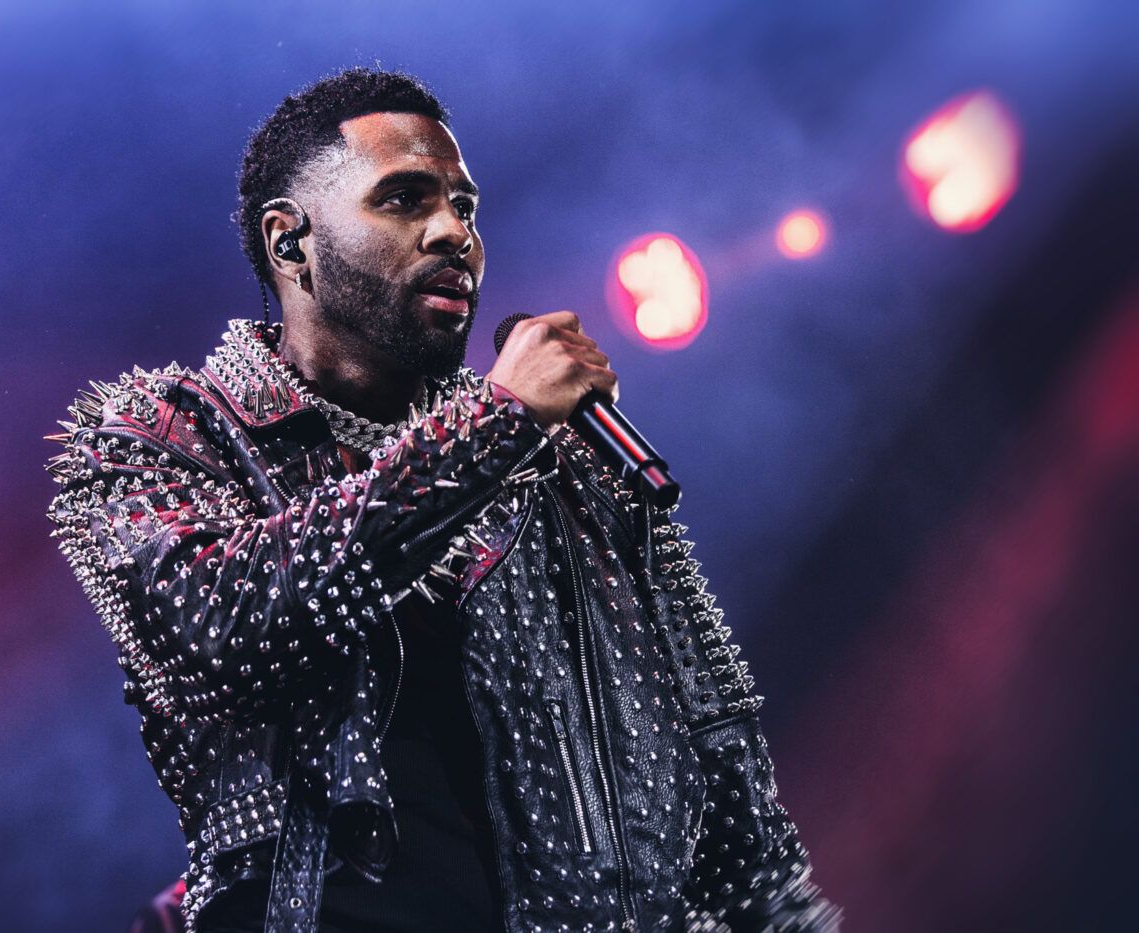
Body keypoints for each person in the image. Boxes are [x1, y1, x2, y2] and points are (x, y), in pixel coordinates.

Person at [47, 67, 841, 933]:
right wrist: (495, 424)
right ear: (289, 241)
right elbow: (226, 623)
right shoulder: (157, 437)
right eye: (404, 199)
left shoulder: (566, 462)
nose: (454, 232)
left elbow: (730, 797)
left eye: (465, 207)